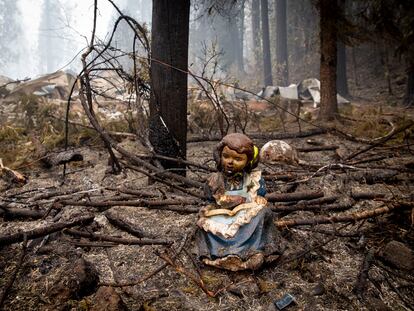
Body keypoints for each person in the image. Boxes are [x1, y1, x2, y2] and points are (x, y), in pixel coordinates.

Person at [196, 133, 283, 271]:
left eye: (238, 159)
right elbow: (209, 200)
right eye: (226, 156)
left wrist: (259, 199)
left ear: (248, 161)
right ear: (219, 156)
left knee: (265, 213)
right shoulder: (215, 179)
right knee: (203, 221)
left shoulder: (252, 180)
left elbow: (257, 196)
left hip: (245, 217)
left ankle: (253, 251)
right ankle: (217, 254)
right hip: (223, 216)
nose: (230, 162)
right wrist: (208, 208)